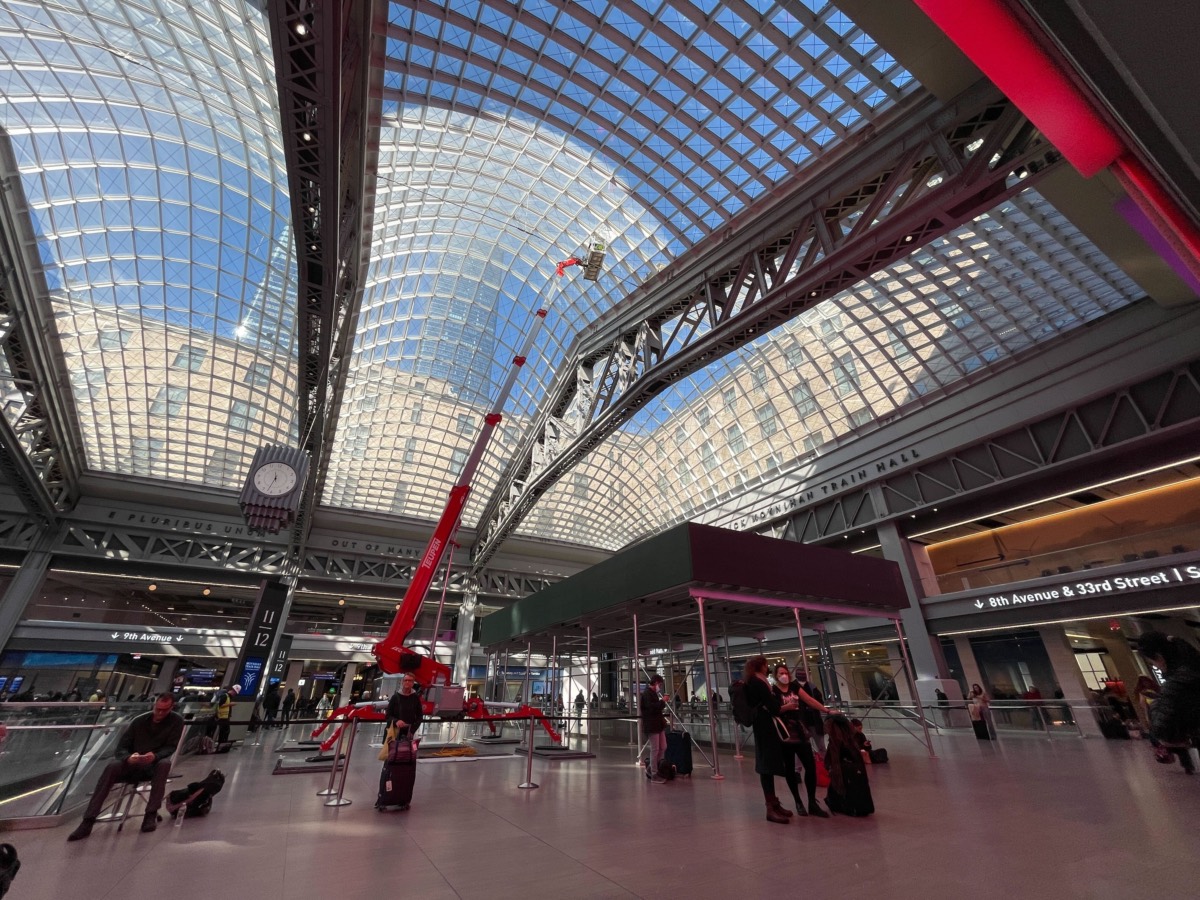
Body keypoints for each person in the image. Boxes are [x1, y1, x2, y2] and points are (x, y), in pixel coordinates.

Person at [67, 693, 185, 840]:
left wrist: (155, 756)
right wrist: (128, 758)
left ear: (171, 708)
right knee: (112, 767)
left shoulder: (176, 721)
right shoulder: (139, 721)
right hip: (131, 763)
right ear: (154, 705)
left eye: (164, 710)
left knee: (164, 764)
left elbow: (170, 747)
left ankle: (151, 813)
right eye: (158, 709)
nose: (160, 713)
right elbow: (121, 748)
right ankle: (88, 819)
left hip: (153, 765)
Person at [773, 663, 832, 818]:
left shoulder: (794, 687)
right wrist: (786, 708)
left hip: (800, 731)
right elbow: (772, 710)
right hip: (785, 734)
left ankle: (812, 801)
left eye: (785, 672)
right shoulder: (773, 691)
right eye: (780, 673)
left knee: (810, 767)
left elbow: (809, 700)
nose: (784, 675)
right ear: (775, 675)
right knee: (790, 769)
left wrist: (826, 710)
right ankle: (798, 801)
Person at [1137, 631, 1200, 772]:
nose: (1155, 666)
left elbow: (1161, 729)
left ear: (1159, 657)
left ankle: (1187, 766)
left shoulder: (1177, 683)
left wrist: (1155, 705)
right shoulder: (1194, 666)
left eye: (1152, 662)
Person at [824, 714, 874, 816]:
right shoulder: (850, 736)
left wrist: (829, 766)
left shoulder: (836, 739)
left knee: (839, 784)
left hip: (844, 769)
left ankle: (838, 803)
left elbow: (833, 757)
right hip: (855, 768)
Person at [640, 674, 669, 783]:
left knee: (663, 746)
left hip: (658, 725)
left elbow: (656, 707)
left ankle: (652, 768)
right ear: (656, 683)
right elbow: (652, 708)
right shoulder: (647, 694)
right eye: (660, 684)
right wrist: (663, 701)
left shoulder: (653, 694)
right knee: (655, 748)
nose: (660, 687)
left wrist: (661, 702)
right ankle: (654, 773)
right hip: (652, 726)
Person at [796, 669, 827, 753]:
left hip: (813, 721)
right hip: (802, 722)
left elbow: (819, 700)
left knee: (820, 746)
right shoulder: (795, 687)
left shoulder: (812, 687)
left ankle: (824, 763)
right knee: (804, 748)